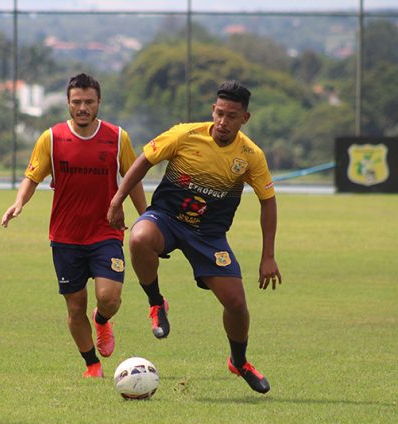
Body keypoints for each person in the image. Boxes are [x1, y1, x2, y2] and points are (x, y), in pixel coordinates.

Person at [107, 80, 281, 394]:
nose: (223, 122)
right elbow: (143, 161)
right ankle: (156, 303)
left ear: (245, 119)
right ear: (213, 110)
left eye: (232, 116)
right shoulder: (184, 135)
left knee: (237, 304)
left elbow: (268, 201)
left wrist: (268, 255)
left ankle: (238, 361)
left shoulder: (251, 155)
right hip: (167, 219)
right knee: (139, 237)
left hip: (209, 235)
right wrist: (118, 199)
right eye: (220, 113)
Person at [1, 73, 147, 378]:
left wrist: (146, 216)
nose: (83, 107)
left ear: (98, 103)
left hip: (105, 231)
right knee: (75, 306)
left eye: (89, 102)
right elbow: (31, 177)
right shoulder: (51, 138)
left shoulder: (117, 137)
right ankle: (92, 364)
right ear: (68, 103)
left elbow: (132, 179)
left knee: (109, 298)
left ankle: (103, 319)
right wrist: (19, 203)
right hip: (66, 236)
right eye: (77, 102)